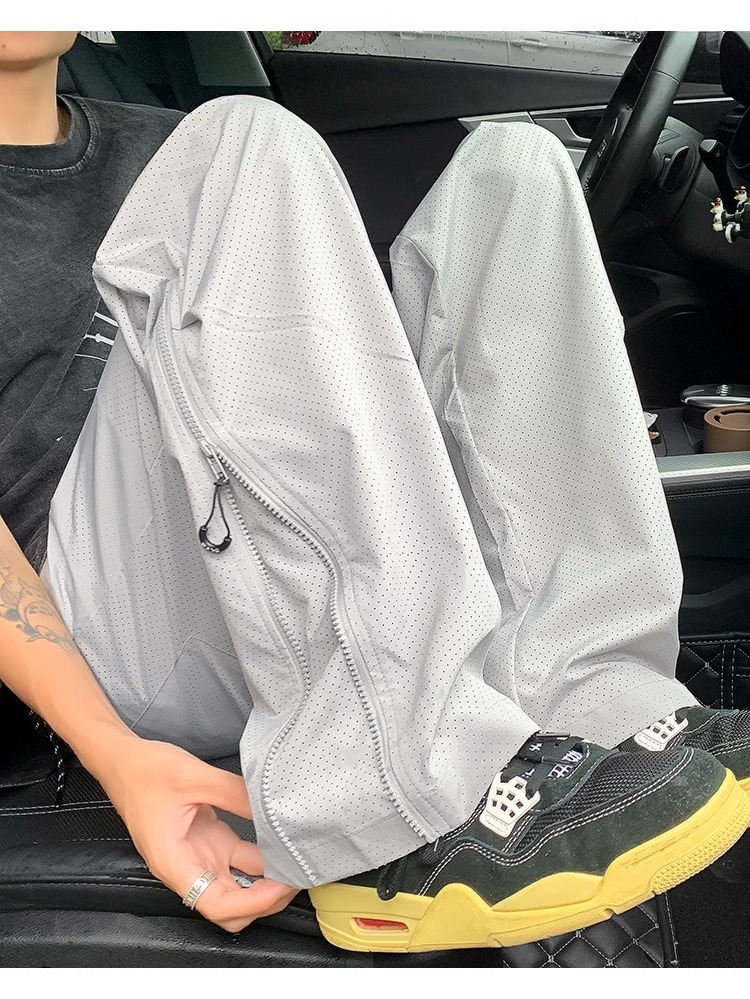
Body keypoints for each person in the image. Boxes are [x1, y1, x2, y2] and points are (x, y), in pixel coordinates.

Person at [2, 31, 750, 953]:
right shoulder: (208, 160)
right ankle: (390, 790)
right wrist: (116, 758)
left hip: (250, 579)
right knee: (244, 138)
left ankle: (603, 701)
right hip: (97, 622)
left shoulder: (151, 137)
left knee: (512, 172)